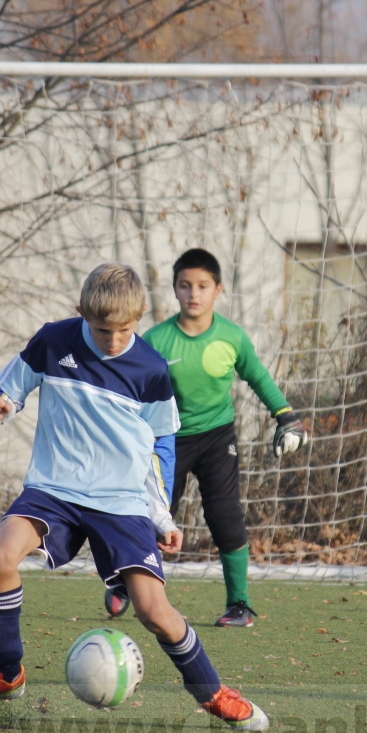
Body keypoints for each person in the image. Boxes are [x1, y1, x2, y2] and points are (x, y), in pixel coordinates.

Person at [0, 263, 268, 731]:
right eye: (102, 330)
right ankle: (5, 673)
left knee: (154, 612)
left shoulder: (151, 369)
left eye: (125, 330)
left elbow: (161, 447)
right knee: (0, 554)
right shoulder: (53, 340)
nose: (114, 341)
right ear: (80, 314)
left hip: (122, 500)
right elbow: (10, 390)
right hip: (54, 489)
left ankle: (213, 693)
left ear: (140, 318)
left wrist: (162, 517)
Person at [105, 248, 307, 628]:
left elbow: (259, 378)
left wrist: (287, 416)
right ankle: (123, 582)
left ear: (218, 289)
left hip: (217, 439)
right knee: (151, 514)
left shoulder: (232, 337)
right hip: (167, 438)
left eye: (202, 286)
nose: (193, 294)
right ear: (175, 290)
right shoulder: (156, 340)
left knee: (225, 516)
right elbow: (127, 386)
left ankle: (240, 605)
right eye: (184, 286)